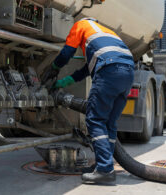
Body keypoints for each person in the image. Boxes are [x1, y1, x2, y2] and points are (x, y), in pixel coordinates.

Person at [42, 18, 134, 183]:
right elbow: (87, 68)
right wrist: (65, 81)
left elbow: (66, 53)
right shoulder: (106, 32)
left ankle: (105, 170)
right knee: (109, 123)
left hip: (109, 70)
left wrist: (54, 68)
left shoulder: (81, 25)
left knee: (95, 119)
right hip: (128, 72)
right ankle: (104, 165)